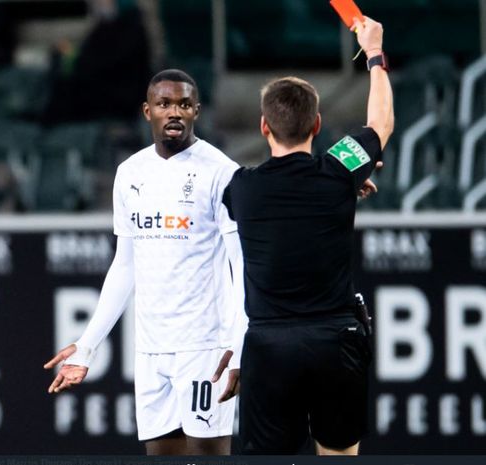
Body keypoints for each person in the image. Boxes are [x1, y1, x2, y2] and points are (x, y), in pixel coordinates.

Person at [44, 69, 247, 455]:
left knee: (208, 455)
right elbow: (125, 266)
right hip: (151, 347)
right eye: (164, 104)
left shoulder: (222, 172)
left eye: (184, 104)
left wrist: (237, 345)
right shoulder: (130, 173)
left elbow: (243, 267)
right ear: (147, 111)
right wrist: (87, 346)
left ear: (197, 111)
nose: (175, 112)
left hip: (204, 346)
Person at [222, 17, 393, 455]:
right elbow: (380, 125)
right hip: (335, 341)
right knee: (339, 454)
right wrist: (373, 53)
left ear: (264, 126)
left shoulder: (242, 187)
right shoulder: (339, 169)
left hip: (268, 346)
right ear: (317, 125)